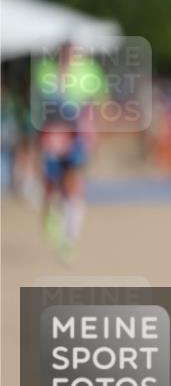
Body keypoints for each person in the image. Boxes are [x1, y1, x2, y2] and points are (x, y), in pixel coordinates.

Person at [32, 41, 108, 261]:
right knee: (51, 186)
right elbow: (42, 105)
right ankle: (51, 218)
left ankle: (69, 238)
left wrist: (95, 135)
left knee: (74, 187)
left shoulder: (90, 72)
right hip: (53, 137)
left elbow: (100, 103)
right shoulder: (44, 71)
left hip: (76, 138)